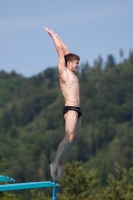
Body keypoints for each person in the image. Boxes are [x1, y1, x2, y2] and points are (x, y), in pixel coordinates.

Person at [45, 28, 82, 180]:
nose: (78, 65)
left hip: (78, 110)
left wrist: (59, 36)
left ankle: (61, 164)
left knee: (73, 140)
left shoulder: (72, 73)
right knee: (68, 137)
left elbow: (65, 50)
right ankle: (55, 163)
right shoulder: (63, 72)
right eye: (76, 63)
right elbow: (60, 50)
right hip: (71, 109)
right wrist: (53, 36)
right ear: (69, 63)